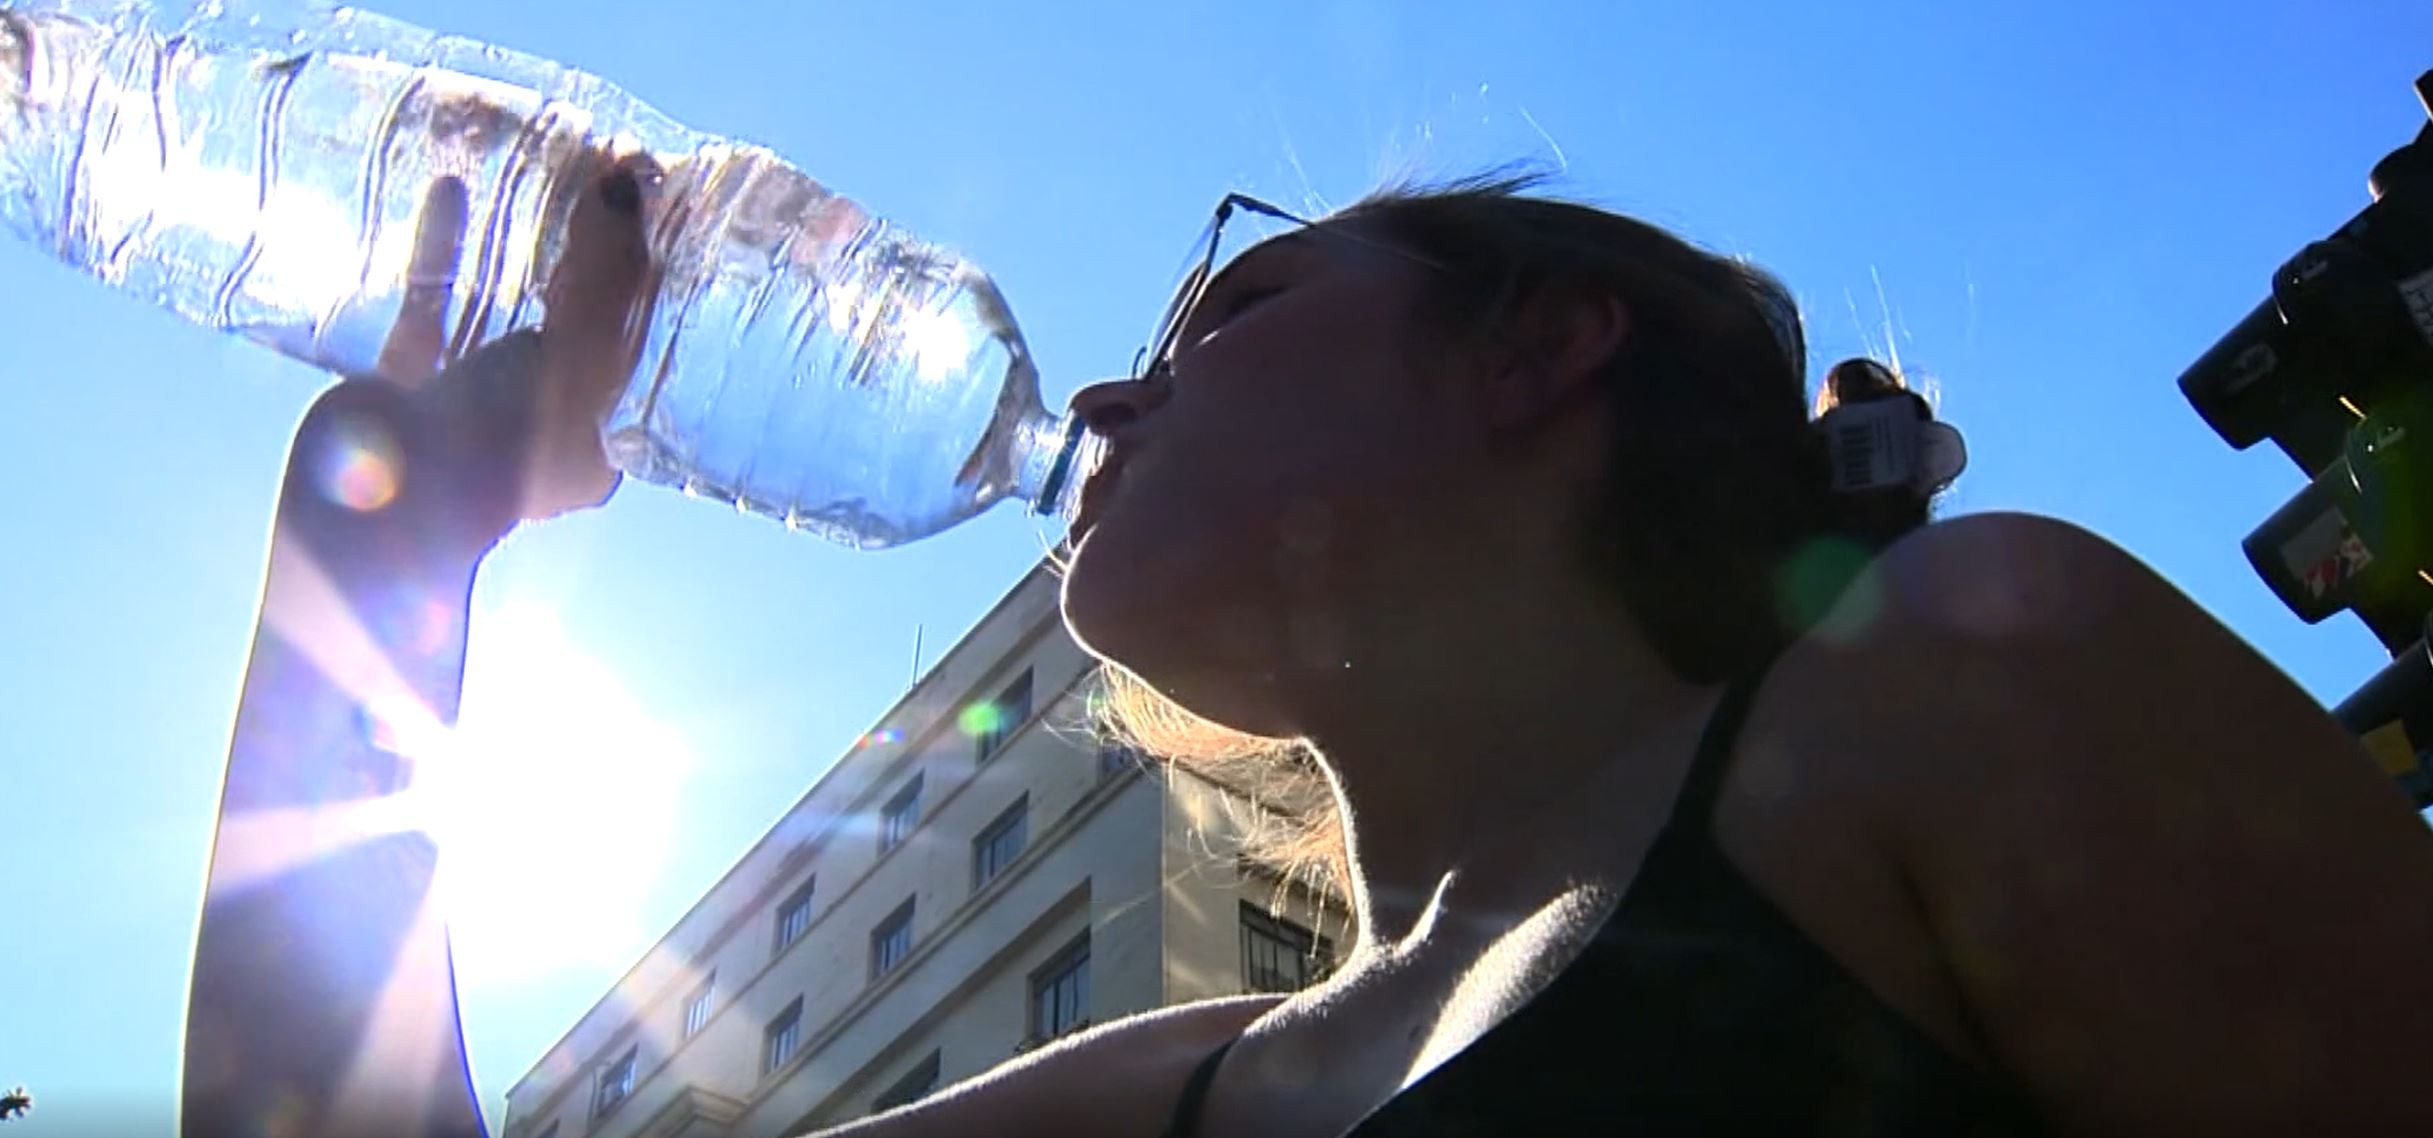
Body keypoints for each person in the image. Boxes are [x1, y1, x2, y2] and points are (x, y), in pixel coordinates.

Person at [191, 162, 2433, 1138]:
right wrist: (369, 559)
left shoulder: (1951, 673)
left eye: (1229, 315)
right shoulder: (1161, 1090)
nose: (1100, 400)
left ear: (1541, 350)